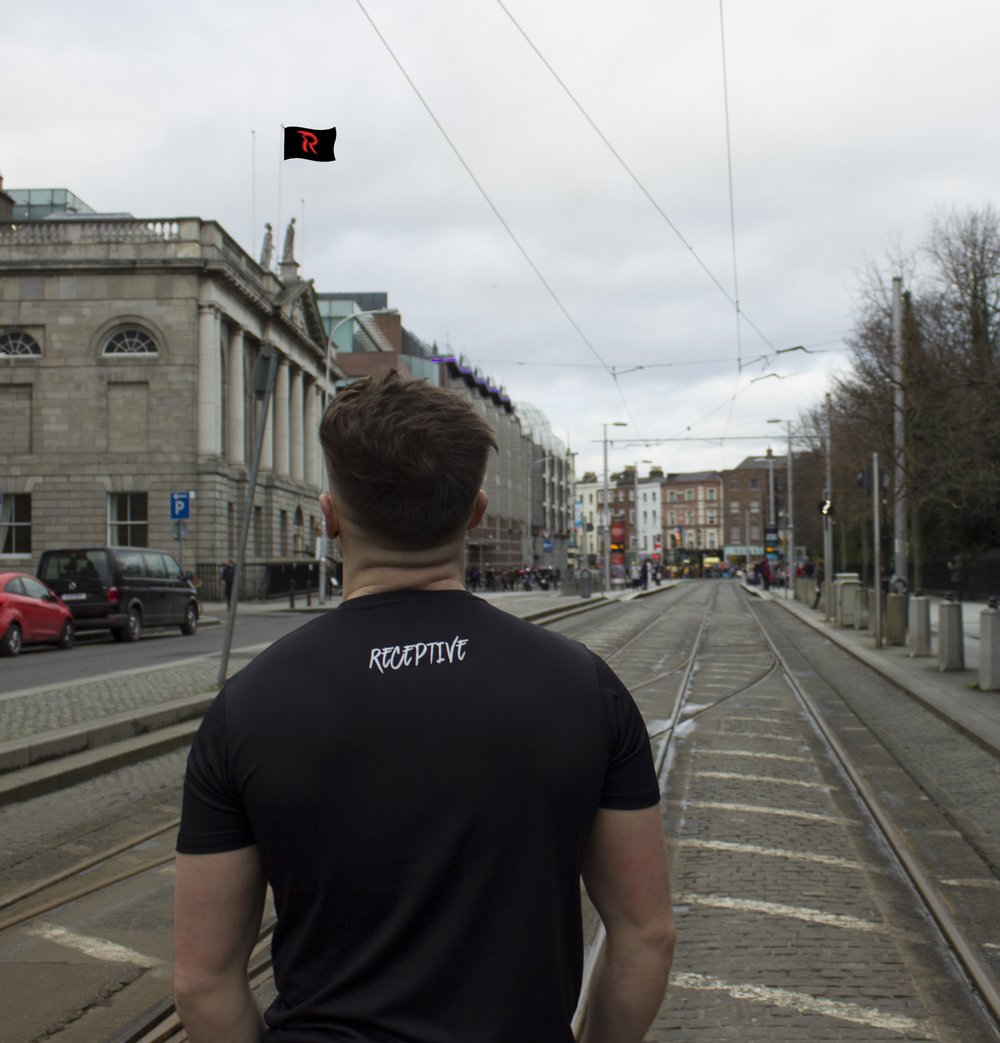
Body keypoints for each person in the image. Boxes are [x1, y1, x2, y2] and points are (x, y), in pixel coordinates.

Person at [173, 371, 674, 1043]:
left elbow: (202, 982)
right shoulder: (586, 687)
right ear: (475, 512)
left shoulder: (247, 705)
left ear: (329, 519)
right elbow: (647, 932)